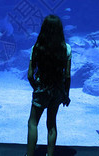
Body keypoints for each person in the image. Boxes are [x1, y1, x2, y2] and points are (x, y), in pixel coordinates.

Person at [26, 15, 71, 156]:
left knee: (33, 123)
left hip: (41, 88)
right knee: (51, 124)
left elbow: (30, 74)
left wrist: (36, 88)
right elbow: (67, 75)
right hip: (57, 90)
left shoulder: (37, 48)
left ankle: (30, 155)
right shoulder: (66, 48)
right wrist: (66, 94)